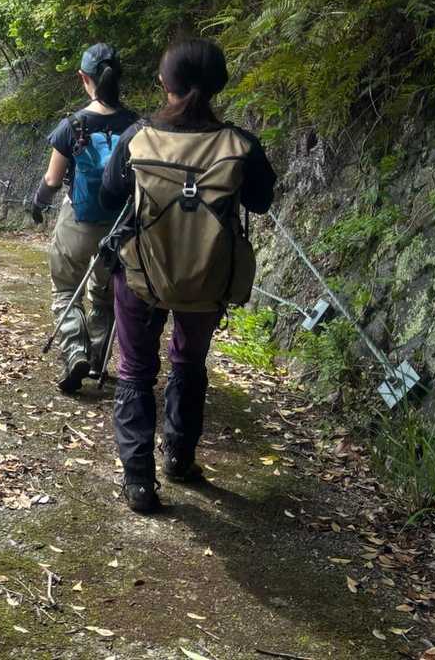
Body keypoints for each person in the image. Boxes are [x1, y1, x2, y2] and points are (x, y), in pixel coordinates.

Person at [100, 38, 277, 513]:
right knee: (189, 361)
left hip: (141, 273)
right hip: (208, 276)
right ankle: (179, 456)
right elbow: (261, 201)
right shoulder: (240, 145)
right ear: (219, 84)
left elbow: (109, 194)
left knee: (135, 369)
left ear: (165, 82)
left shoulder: (137, 137)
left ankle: (139, 481)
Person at [31, 43, 139, 394]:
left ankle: (75, 351)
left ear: (83, 78)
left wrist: (38, 204)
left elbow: (52, 180)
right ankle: (97, 359)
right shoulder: (136, 125)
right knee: (105, 295)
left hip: (78, 220)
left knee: (65, 288)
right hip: (120, 225)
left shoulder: (73, 125)